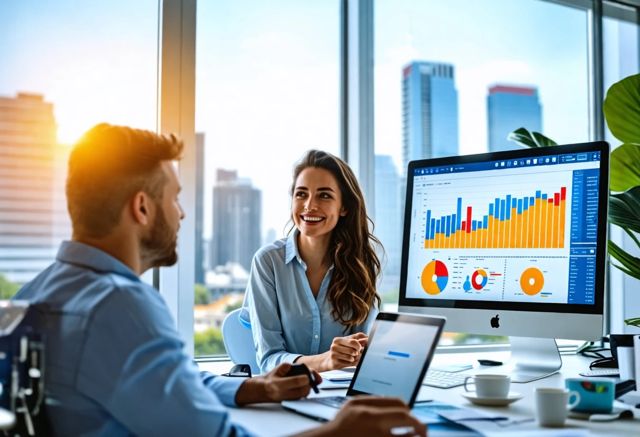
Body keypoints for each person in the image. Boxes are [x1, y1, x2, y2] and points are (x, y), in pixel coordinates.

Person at [14, 124, 425, 437]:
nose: (182, 214)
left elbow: (174, 383)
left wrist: (254, 389)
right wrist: (339, 433)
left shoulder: (36, 294)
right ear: (141, 207)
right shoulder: (120, 307)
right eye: (174, 198)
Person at [244, 150, 382, 373]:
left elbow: (366, 348)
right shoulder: (268, 262)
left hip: (339, 393)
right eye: (301, 194)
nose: (309, 205)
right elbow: (269, 361)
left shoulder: (360, 264)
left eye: (324, 195)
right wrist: (326, 361)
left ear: (344, 207)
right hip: (284, 393)